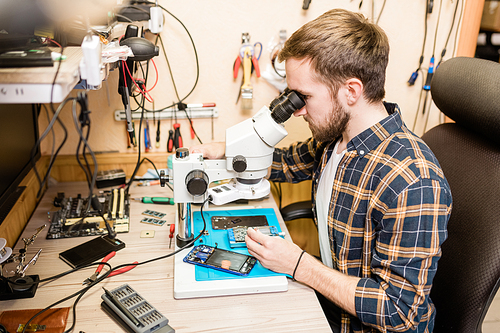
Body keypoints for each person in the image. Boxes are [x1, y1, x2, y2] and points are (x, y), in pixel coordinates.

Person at [191, 8, 452, 333]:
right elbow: (285, 163)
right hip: (330, 306)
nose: (296, 110)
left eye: (304, 96)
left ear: (351, 91)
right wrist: (224, 149)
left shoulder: (412, 180)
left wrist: (298, 265)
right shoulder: (337, 140)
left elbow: (400, 313)